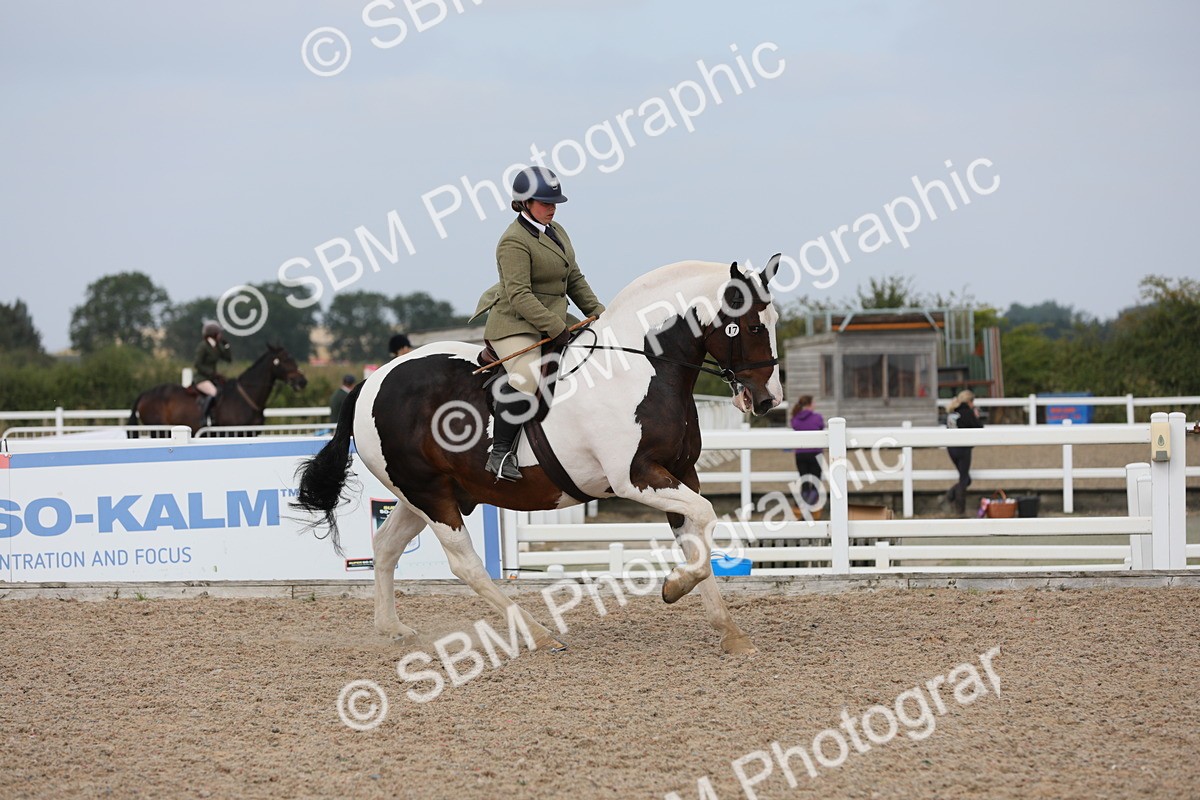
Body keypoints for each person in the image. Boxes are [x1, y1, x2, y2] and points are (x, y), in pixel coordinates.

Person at [471, 166, 606, 481]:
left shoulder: (556, 231)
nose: (552, 208)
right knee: (527, 378)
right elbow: (519, 295)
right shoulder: (513, 241)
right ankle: (500, 453)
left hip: (553, 316)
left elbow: (574, 277)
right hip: (515, 323)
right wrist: (554, 327)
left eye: (554, 202)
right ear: (524, 202)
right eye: (545, 203)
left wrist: (600, 313)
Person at [942, 389, 983, 516]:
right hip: (963, 449)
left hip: (951, 449)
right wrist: (976, 417)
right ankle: (959, 509)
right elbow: (979, 427)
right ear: (969, 401)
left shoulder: (952, 412)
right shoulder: (967, 412)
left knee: (965, 478)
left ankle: (952, 496)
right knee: (964, 479)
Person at [789, 395, 825, 507]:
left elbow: (794, 427)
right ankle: (812, 507)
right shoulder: (817, 417)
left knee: (804, 482)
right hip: (815, 453)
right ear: (810, 404)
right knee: (815, 482)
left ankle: (803, 506)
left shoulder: (795, 419)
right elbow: (821, 427)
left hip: (800, 454)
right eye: (813, 403)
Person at [193, 321, 232, 426]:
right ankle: (204, 417)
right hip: (202, 378)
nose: (220, 335)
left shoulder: (217, 346)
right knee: (214, 393)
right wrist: (212, 373)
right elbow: (197, 364)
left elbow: (228, 359)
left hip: (212, 378)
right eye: (219, 333)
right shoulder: (203, 346)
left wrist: (226, 345)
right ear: (214, 334)